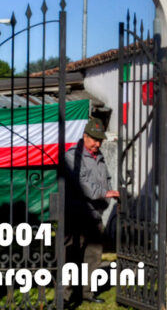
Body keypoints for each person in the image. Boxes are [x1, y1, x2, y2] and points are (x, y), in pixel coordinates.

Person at [63, 118, 119, 306]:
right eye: (94, 139)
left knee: (93, 257)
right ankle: (65, 296)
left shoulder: (100, 157)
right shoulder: (73, 156)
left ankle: (87, 293)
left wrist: (109, 192)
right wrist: (105, 193)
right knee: (71, 257)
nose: (97, 144)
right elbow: (82, 183)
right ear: (84, 136)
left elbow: (107, 179)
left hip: (94, 216)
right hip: (76, 216)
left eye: (100, 140)